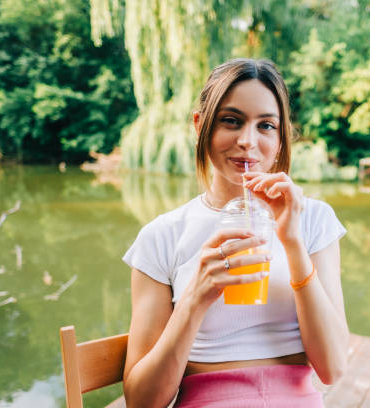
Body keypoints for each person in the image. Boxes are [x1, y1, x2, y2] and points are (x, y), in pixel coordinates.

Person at [122, 58, 349, 407]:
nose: (247, 141)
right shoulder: (161, 236)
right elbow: (141, 401)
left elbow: (333, 368)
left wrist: (292, 243)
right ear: (200, 125)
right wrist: (195, 297)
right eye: (231, 121)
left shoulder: (313, 219)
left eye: (266, 126)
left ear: (281, 136)